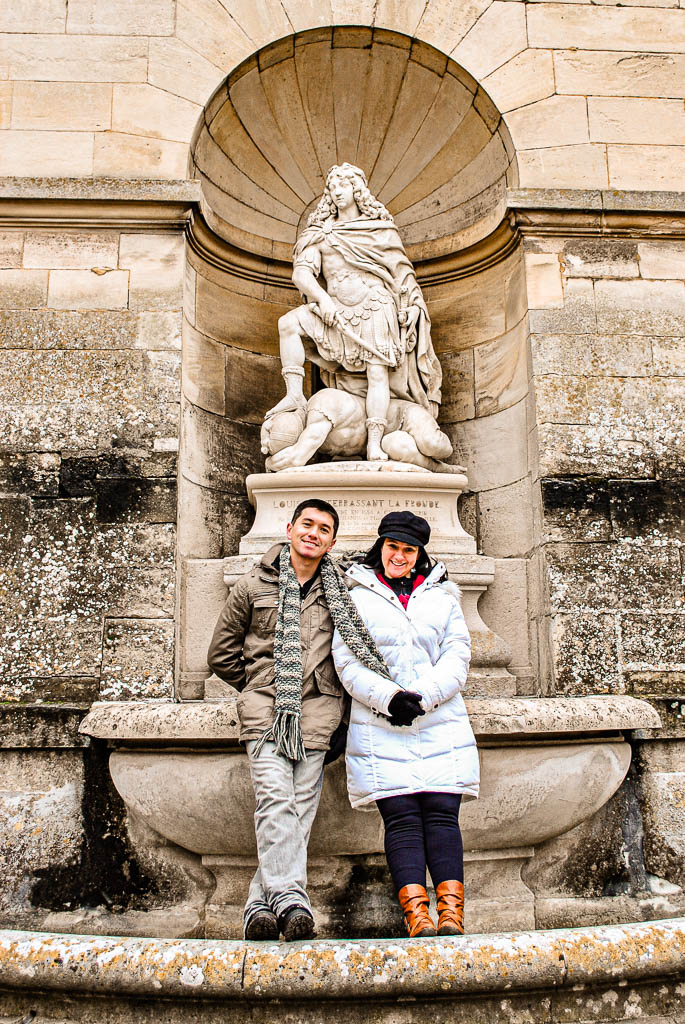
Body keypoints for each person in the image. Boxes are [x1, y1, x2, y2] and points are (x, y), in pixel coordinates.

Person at [206, 499, 392, 941]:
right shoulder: (252, 585)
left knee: (299, 809)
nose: (313, 533)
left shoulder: (342, 591)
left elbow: (355, 651)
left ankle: (258, 907)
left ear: (332, 541)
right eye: (306, 524)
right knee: (275, 799)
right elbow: (220, 655)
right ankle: (291, 899)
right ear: (289, 528)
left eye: (324, 528)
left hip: (319, 713)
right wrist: (260, 685)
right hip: (267, 713)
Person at [331, 511, 479, 938]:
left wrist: (424, 697)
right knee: (401, 818)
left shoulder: (443, 596)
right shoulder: (356, 596)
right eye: (392, 547)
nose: (399, 555)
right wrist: (389, 698)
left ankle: (451, 914)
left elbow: (457, 655)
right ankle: (417, 916)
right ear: (381, 548)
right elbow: (347, 661)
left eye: (408, 549)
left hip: (439, 720)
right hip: (380, 723)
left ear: (419, 554)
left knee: (442, 815)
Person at [265, 163, 443, 463]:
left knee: (377, 373)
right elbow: (302, 275)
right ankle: (295, 394)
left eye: (343, 185)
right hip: (333, 310)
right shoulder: (320, 233)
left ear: (357, 191)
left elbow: (403, 275)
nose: (336, 191)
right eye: (332, 187)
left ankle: (374, 443)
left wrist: (413, 306)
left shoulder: (380, 231)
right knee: (288, 324)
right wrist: (323, 300)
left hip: (375, 307)